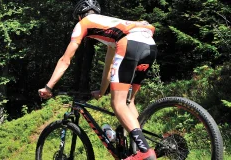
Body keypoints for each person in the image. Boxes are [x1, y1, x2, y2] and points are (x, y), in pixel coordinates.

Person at [37, 0, 157, 160]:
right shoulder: (112, 27)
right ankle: (138, 148)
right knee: (128, 103)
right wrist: (101, 91)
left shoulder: (83, 24)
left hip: (130, 44)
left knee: (118, 103)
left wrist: (48, 87)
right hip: (150, 45)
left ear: (80, 16)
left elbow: (65, 60)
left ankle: (144, 152)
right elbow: (109, 65)